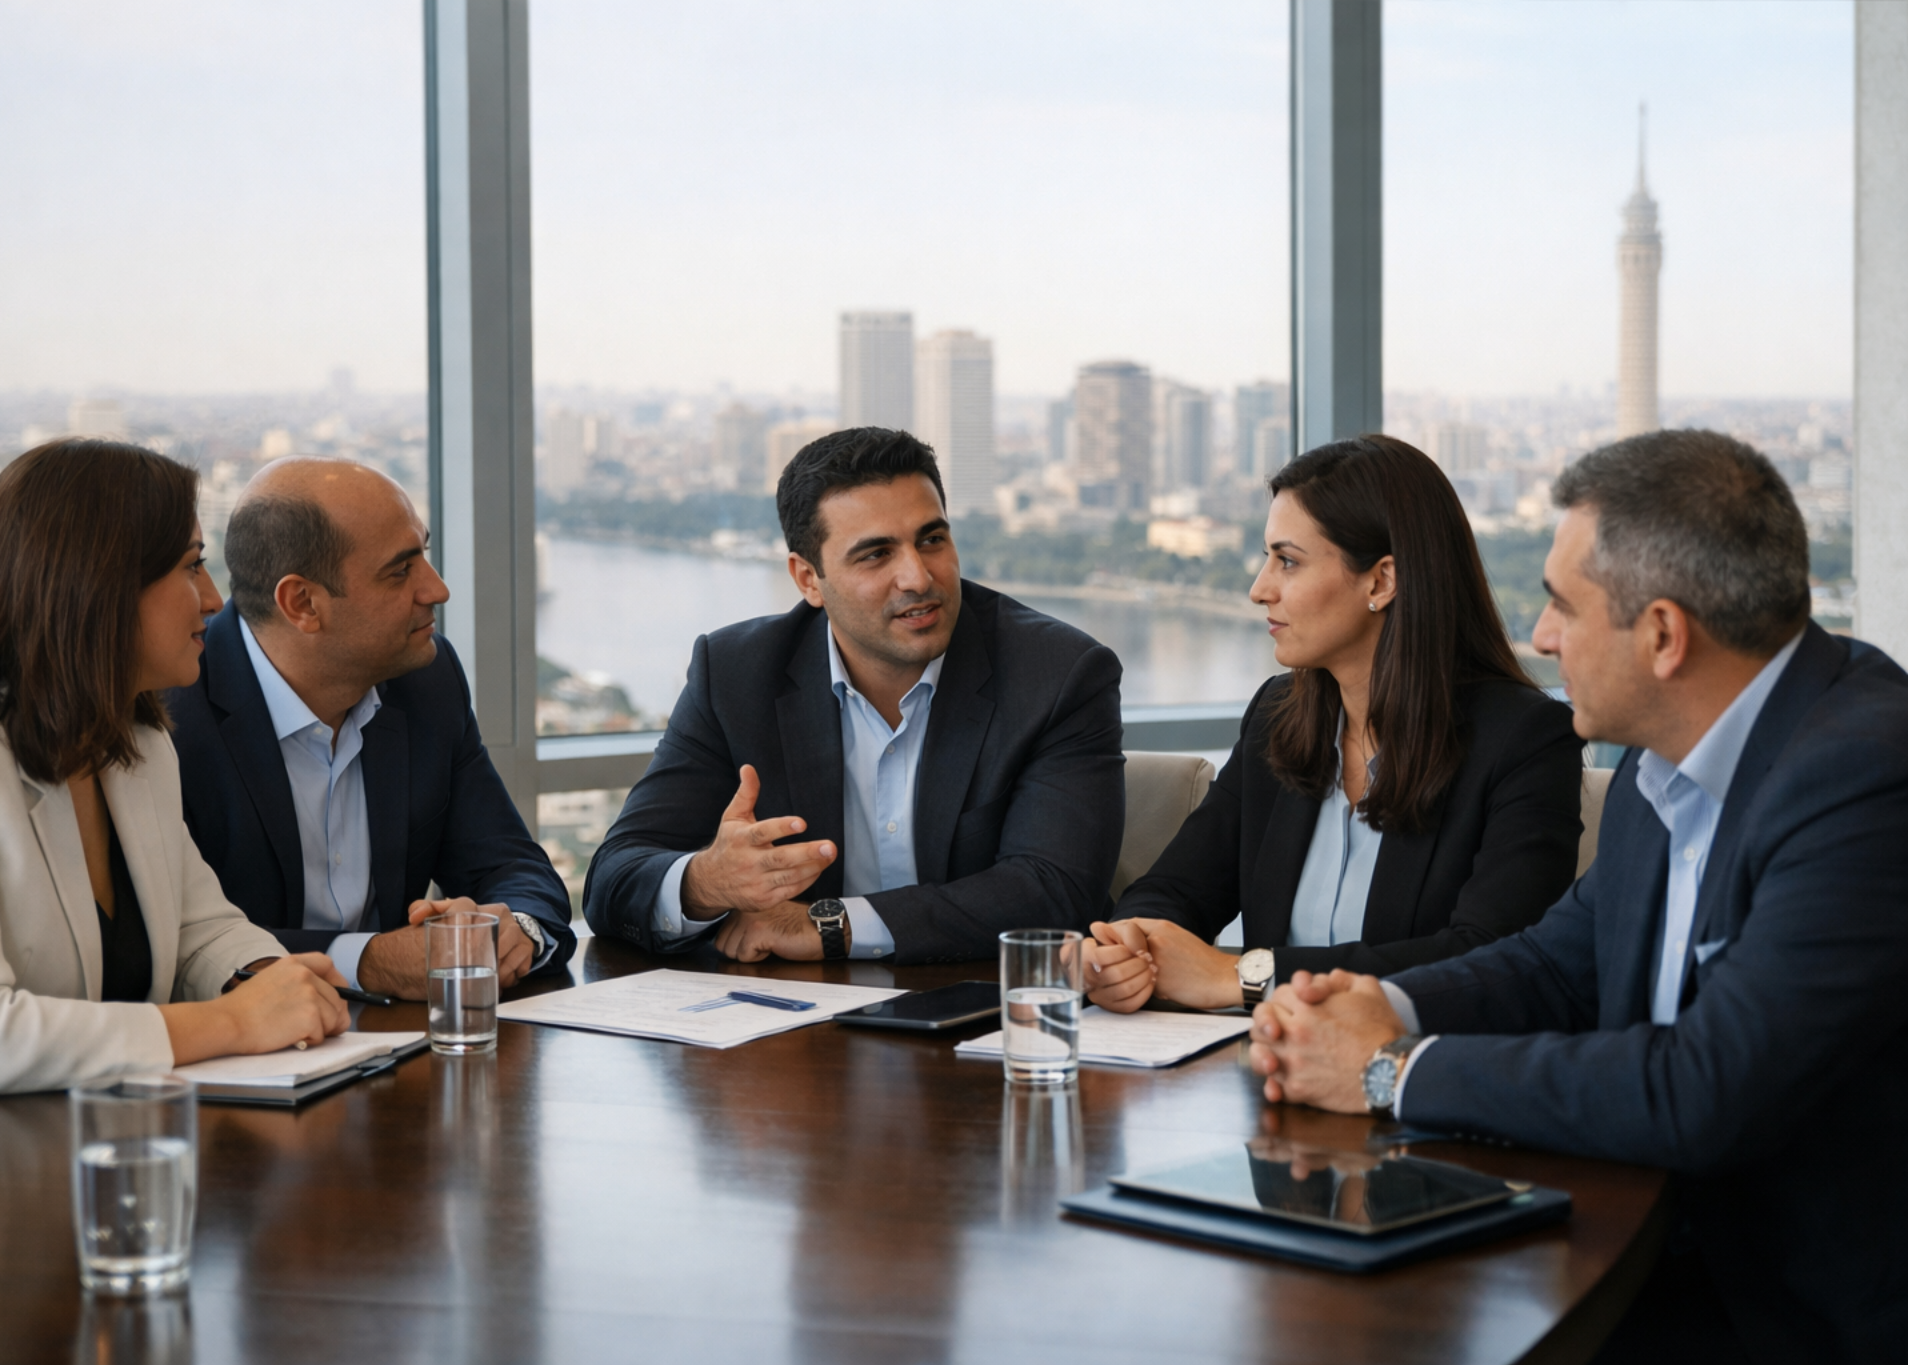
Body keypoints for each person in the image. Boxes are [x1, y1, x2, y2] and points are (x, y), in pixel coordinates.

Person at [1244, 430, 1908, 1363]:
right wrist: (1379, 1002)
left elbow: (1702, 1088)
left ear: (1664, 635)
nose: (1542, 635)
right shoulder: (1661, 758)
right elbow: (1558, 961)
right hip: (1635, 1251)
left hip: (1795, 1315)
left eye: (1562, 605)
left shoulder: (1865, 777)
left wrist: (1391, 1069)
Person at [0, 440, 351, 1127]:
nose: (213, 598)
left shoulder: (139, 744)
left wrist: (270, 978)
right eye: (190, 566)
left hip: (77, 1152)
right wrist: (232, 1022)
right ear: (98, 585)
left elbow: (200, 927)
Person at [582, 427, 1124, 964]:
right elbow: (613, 879)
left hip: (988, 1014)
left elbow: (1054, 891)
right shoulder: (735, 675)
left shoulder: (1058, 674)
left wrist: (829, 925)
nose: (917, 576)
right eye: (875, 555)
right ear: (808, 579)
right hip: (795, 1031)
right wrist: (706, 882)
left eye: (932, 540)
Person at [1086, 436, 1582, 1014]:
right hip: (1264, 1074)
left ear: (1380, 581)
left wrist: (1246, 975)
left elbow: (1489, 961)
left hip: (1416, 1083)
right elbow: (1176, 889)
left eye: (1287, 561)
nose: (1258, 589)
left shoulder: (1525, 740)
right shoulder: (1278, 716)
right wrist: (1129, 950)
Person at [164, 458, 573, 1001]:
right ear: (303, 604)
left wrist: (512, 930)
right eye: (400, 571)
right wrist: (370, 961)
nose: (438, 590)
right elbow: (174, 947)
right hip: (239, 1058)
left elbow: (511, 864)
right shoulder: (171, 710)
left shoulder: (427, 678)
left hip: (404, 1047)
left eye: (423, 555)